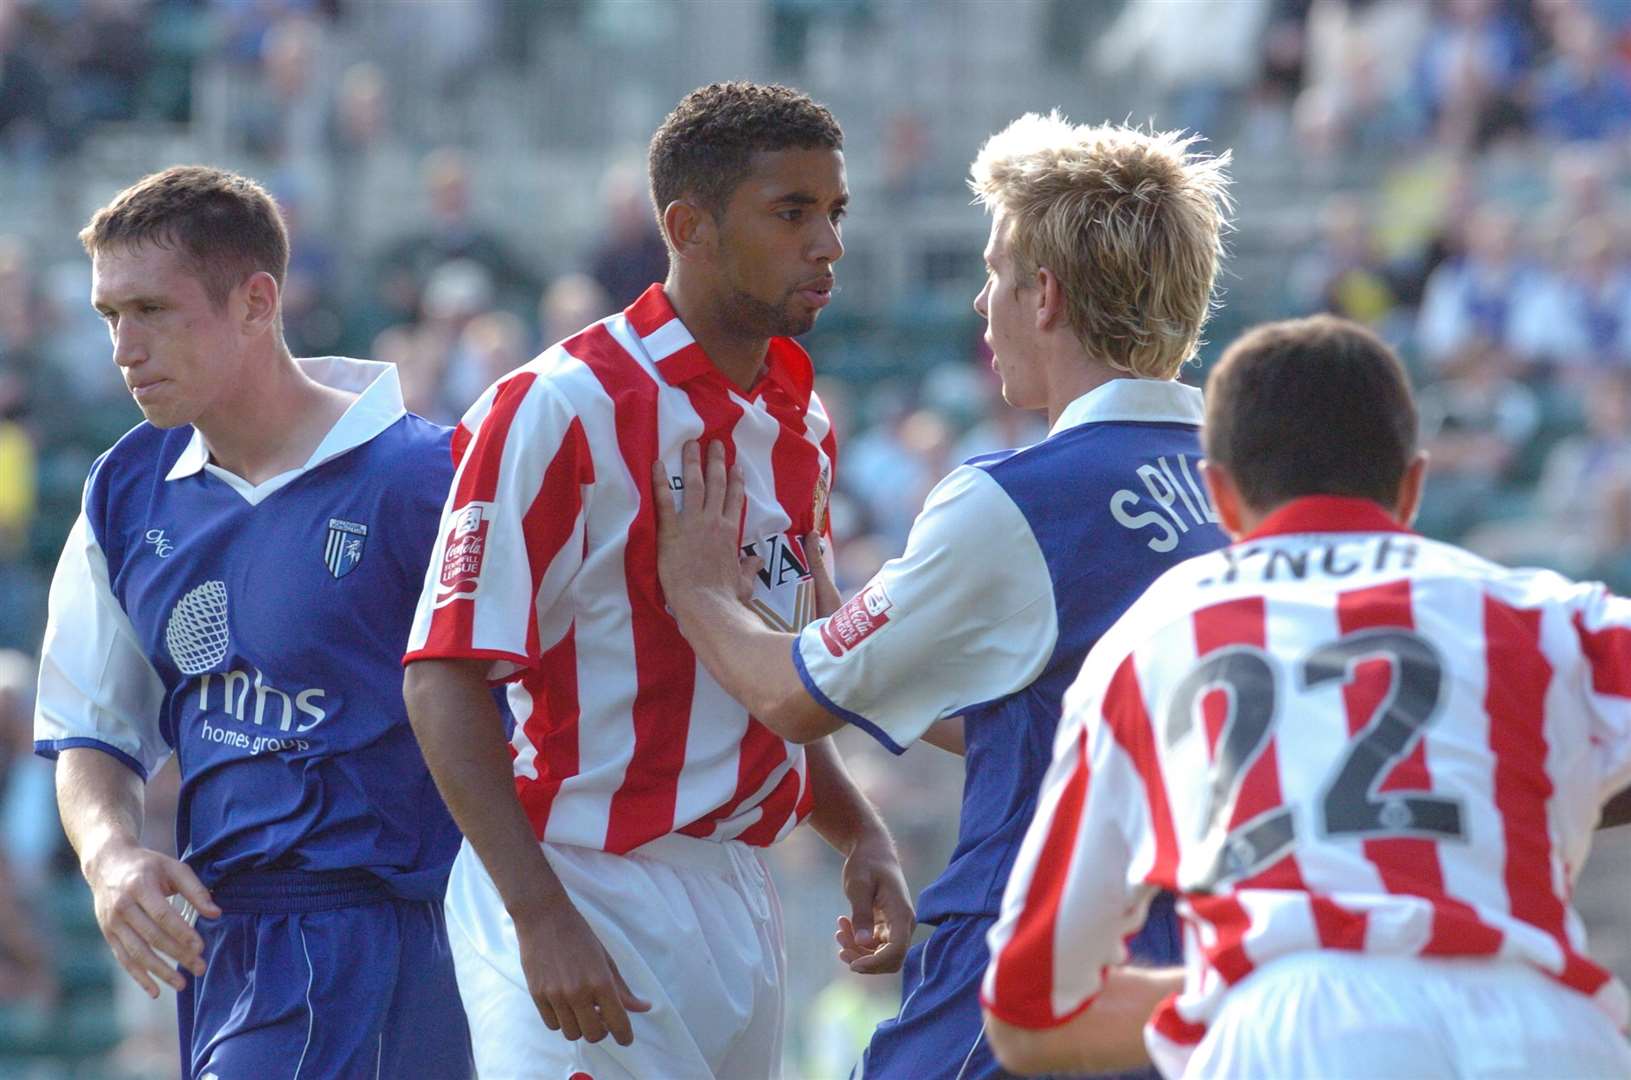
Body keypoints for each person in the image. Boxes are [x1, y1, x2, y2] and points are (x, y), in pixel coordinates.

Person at [655, 112, 1233, 1078]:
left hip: (1032, 952)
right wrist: (825, 604)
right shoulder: (1240, 487)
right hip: (1204, 971)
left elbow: (795, 698)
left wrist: (700, 591)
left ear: (1042, 295)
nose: (979, 302)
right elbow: (1031, 707)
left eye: (995, 273)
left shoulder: (1020, 498)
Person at [402, 81, 912, 1080]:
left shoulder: (799, 428)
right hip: (584, 887)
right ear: (688, 227)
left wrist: (859, 829)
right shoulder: (558, 406)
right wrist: (538, 914)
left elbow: (770, 685)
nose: (828, 245)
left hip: (741, 899)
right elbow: (439, 677)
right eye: (792, 212)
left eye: (835, 212)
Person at [979, 314, 1631, 1079]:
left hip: (1282, 1032)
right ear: (1413, 485)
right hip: (1541, 1031)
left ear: (1218, 498)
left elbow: (1028, 1010)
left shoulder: (1152, 636)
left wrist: (1227, 983)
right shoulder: (1542, 612)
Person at [33, 166, 471, 1079]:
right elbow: (92, 731)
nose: (124, 347)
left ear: (256, 301)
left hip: (388, 932)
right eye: (111, 315)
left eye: (151, 309)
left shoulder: (428, 482)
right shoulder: (124, 490)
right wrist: (111, 856)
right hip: (225, 945)